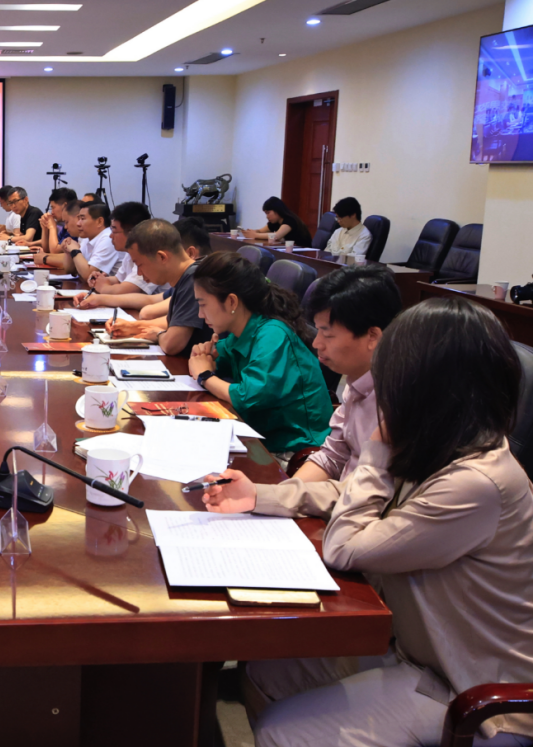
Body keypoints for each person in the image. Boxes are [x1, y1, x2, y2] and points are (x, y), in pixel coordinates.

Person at [202, 298, 533, 747]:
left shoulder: (476, 482)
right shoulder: (446, 444)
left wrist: (377, 450)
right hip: (417, 647)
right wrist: (260, 496)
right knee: (270, 671)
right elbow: (351, 494)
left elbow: (345, 546)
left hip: (470, 688)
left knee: (284, 731)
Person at [186, 251, 331, 456]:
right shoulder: (241, 332)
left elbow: (246, 396)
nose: (201, 314)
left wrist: (205, 376)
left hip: (296, 452)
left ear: (232, 302)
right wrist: (203, 356)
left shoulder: (272, 334)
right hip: (261, 438)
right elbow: (214, 360)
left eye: (203, 304)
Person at [283, 266, 400, 486]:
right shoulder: (357, 379)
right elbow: (332, 457)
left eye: (327, 334)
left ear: (372, 336)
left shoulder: (400, 399)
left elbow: (376, 491)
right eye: (318, 331)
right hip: (340, 497)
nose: (317, 343)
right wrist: (283, 494)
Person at [113, 219, 213, 356]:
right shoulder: (186, 277)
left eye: (140, 265)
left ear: (161, 257)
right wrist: (133, 327)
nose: (139, 273)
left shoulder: (195, 278)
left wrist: (158, 334)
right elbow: (174, 323)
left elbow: (172, 344)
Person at [72, 201, 166, 311]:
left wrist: (103, 289)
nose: (111, 236)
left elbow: (127, 290)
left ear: (131, 234)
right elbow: (118, 279)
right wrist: (100, 279)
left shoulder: (149, 253)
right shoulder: (129, 253)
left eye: (114, 231)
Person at [136, 217, 211, 322]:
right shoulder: (186, 276)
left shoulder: (197, 276)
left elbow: (149, 313)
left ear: (190, 253)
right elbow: (151, 302)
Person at [57, 200, 117, 281]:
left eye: (82, 219)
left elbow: (89, 276)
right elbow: (71, 270)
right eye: (78, 219)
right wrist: (68, 252)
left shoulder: (108, 238)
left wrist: (75, 250)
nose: (78, 223)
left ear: (99, 221)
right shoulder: (85, 237)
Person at [246, 197, 312, 246]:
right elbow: (260, 231)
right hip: (290, 249)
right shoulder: (275, 222)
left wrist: (255, 235)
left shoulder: (290, 220)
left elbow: (276, 236)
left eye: (268, 213)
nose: (267, 216)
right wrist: (250, 232)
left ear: (277, 210)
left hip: (304, 252)